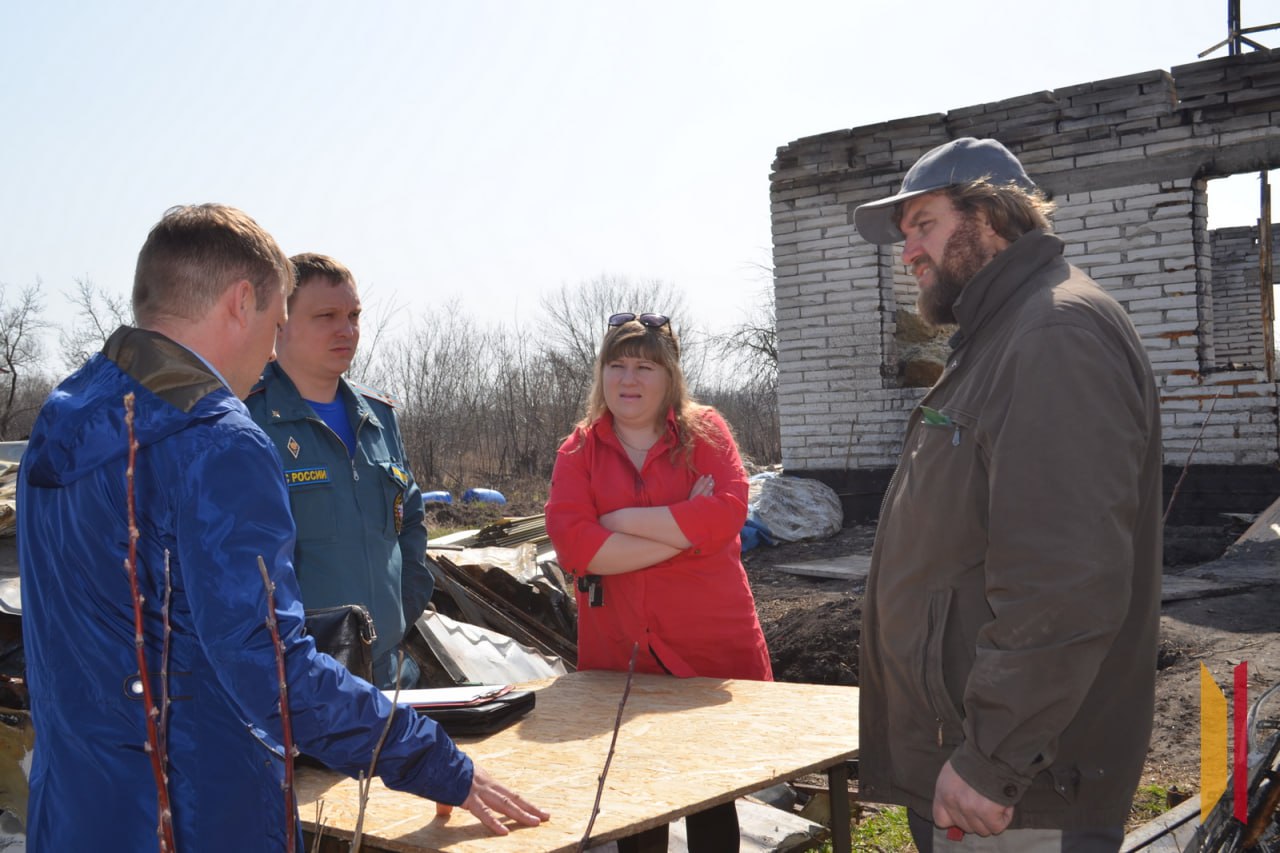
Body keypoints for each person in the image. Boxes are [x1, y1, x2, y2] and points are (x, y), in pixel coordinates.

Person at [17, 204, 547, 852]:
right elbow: (273, 672)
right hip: (198, 817)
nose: (271, 353)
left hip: (75, 815)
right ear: (241, 301)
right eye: (275, 325)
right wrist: (427, 755)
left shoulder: (60, 421)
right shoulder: (218, 443)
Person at [852, 137, 1162, 851]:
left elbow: (1064, 583)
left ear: (990, 215)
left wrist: (991, 759)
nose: (909, 254)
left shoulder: (1055, 333)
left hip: (1018, 794)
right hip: (985, 776)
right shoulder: (1002, 336)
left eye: (923, 225)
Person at [544, 311, 772, 852]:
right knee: (637, 801)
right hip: (621, 648)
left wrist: (617, 522)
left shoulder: (706, 432)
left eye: (645, 366)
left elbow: (727, 515)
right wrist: (682, 532)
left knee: (712, 798)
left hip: (709, 650)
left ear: (670, 376)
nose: (629, 379)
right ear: (600, 375)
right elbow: (575, 548)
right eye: (617, 365)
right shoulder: (578, 450)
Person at [246, 253, 432, 689]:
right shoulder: (248, 418)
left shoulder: (379, 416)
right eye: (326, 316)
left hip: (387, 673)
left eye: (353, 315)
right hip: (301, 681)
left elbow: (412, 521)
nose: (346, 330)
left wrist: (400, 613)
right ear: (281, 323)